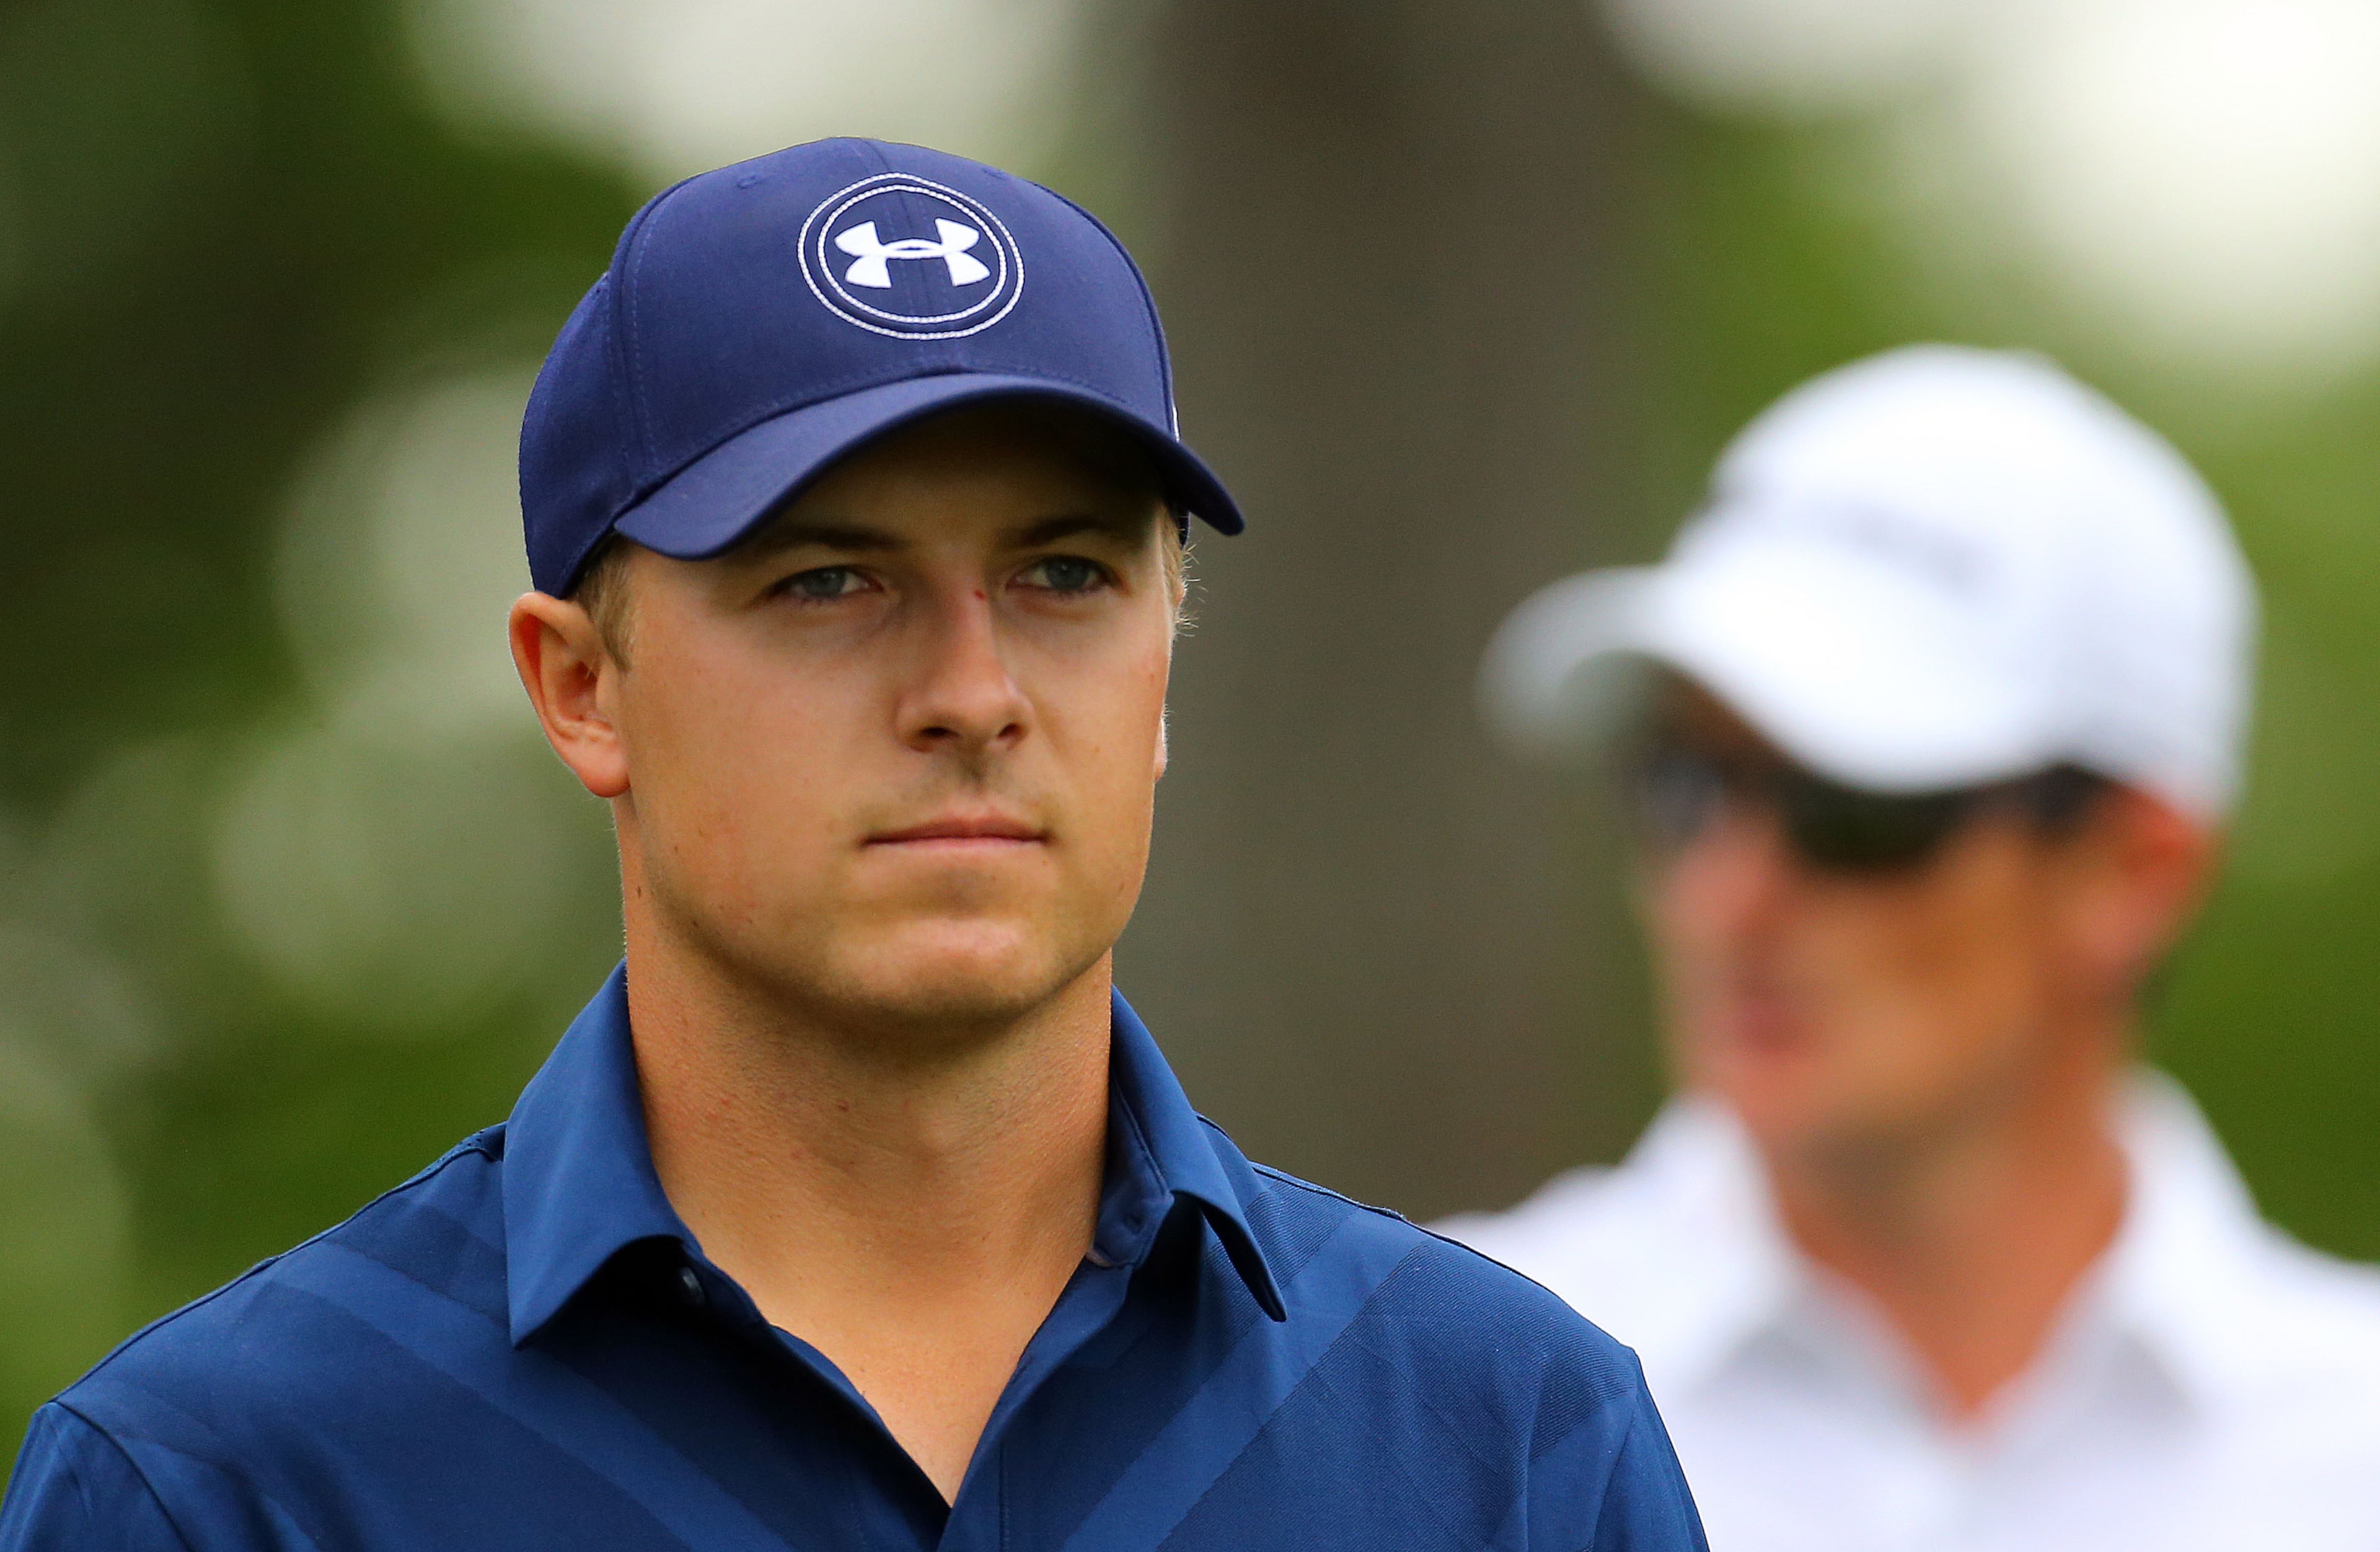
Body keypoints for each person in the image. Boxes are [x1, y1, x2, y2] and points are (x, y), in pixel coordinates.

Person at [0, 139, 1706, 1551]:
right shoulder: (227, 1487)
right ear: (583, 688)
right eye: (829, 582)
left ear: (1168, 668)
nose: (974, 691)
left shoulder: (1506, 1445)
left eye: (1065, 577)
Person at [1445, 345, 2380, 1550]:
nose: (1726, 894)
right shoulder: (1422, 1397)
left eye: (1856, 809)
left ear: (2133, 872)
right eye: (1683, 786)